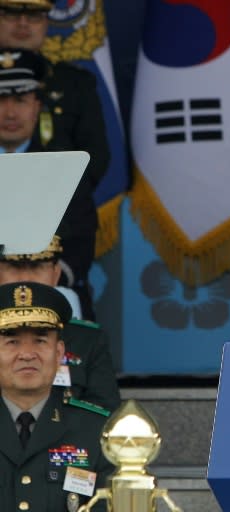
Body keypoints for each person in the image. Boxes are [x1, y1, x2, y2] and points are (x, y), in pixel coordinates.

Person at [0, 0, 111, 321]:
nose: (10, 112)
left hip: (55, 262)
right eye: (10, 13)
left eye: (20, 101)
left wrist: (54, 198)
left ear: (37, 106)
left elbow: (94, 162)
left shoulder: (73, 83)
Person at [0, 281, 113, 512]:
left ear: (59, 352)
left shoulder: (97, 432)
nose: (27, 355)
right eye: (12, 342)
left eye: (40, 341)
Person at [0, 235, 120, 411]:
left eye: (37, 266)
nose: (25, 278)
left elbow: (106, 417)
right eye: (13, 266)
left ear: (56, 273)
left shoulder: (88, 341)